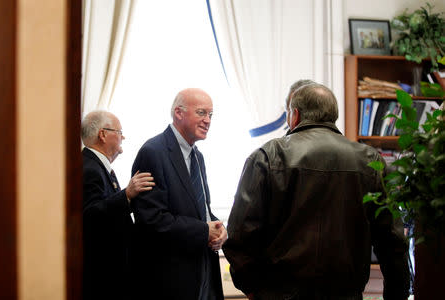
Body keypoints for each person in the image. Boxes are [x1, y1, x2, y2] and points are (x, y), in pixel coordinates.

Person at [223, 83, 410, 300]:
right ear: (333, 116)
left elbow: (240, 235)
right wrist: (397, 294)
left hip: (278, 294)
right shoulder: (369, 160)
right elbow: (392, 239)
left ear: (294, 115)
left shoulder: (267, 156)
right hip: (345, 294)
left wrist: (252, 288)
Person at [130, 88, 227, 300]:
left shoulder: (197, 156)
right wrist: (203, 230)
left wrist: (219, 228)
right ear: (178, 113)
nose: (208, 120)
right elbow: (152, 220)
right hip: (170, 279)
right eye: (201, 112)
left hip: (203, 270)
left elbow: (201, 209)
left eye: (211, 114)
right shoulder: (153, 152)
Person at [81, 110, 155, 300]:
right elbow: (90, 216)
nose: (123, 137)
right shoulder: (89, 168)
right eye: (119, 132)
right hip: (102, 275)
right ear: (103, 134)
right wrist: (127, 195)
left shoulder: (98, 166)